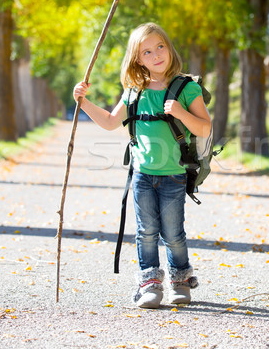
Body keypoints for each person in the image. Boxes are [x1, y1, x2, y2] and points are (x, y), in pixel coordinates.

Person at [73, 22, 212, 308]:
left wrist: (181, 112)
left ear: (169, 48)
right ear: (137, 58)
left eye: (160, 46)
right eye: (147, 51)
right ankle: (150, 284)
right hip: (142, 175)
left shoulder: (186, 88)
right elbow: (112, 122)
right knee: (146, 232)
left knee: (173, 233)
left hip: (173, 175)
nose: (156, 54)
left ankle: (180, 280)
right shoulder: (134, 90)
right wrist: (83, 102)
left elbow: (204, 129)